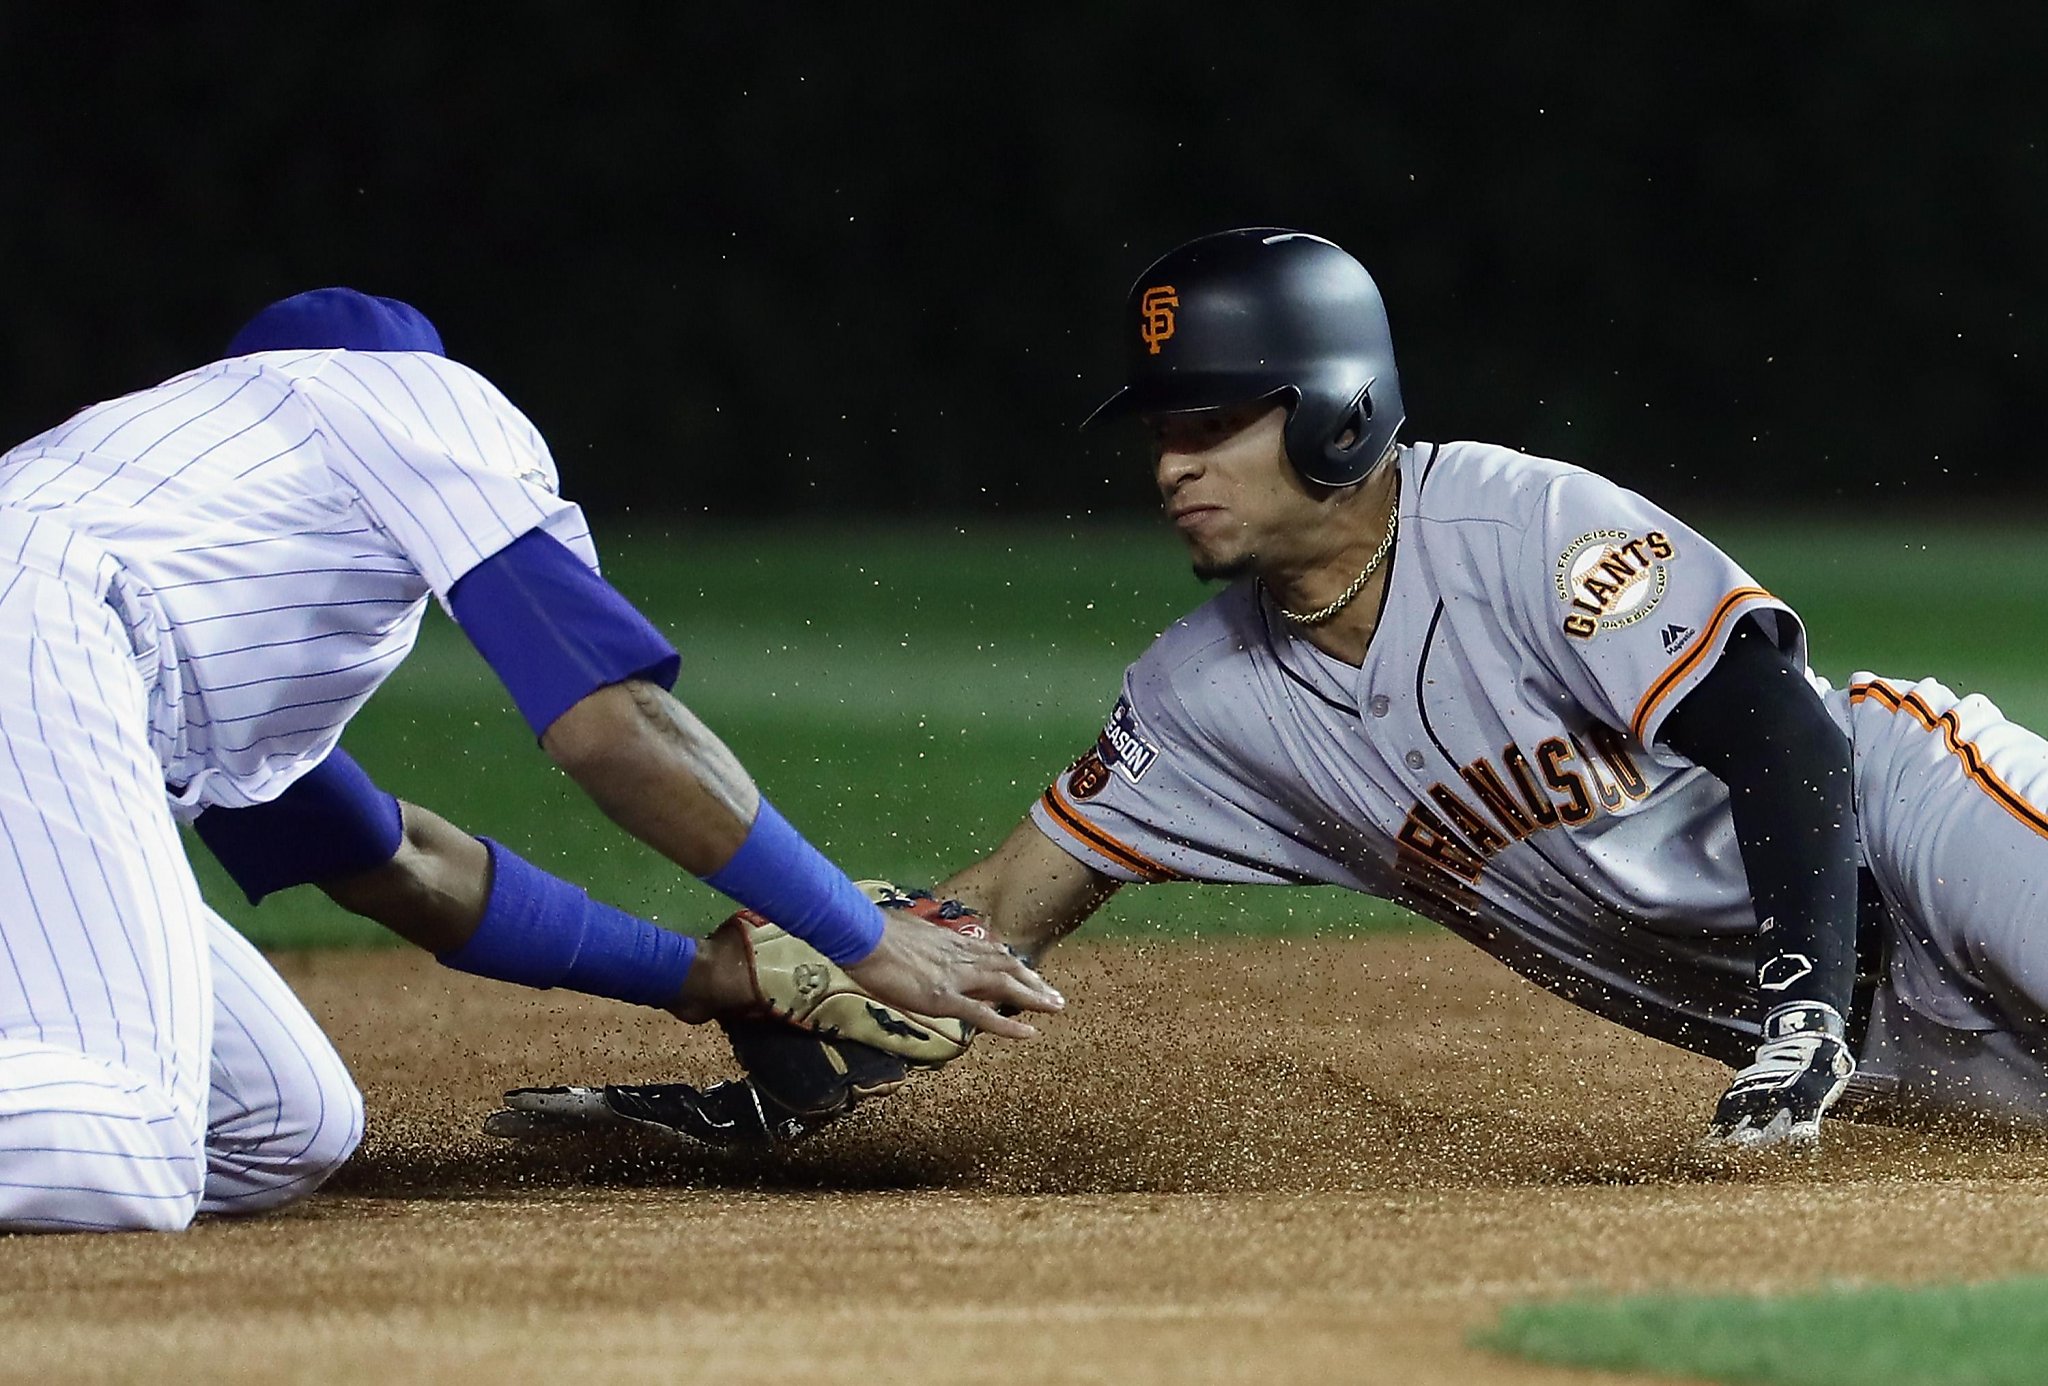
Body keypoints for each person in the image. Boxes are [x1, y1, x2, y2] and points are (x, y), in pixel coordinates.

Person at [508, 227, 2048, 1152]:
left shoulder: (1523, 523)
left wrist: (1795, 1006)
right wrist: (797, 1035)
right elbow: (994, 917)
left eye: (1214, 419)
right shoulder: (1201, 700)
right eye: (1162, 427)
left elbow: (1782, 728)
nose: (1172, 462)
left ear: (1337, 407)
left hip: (1912, 842)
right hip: (1865, 1029)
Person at [0, 287, 1060, 1232]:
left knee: (280, 1126)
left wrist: (702, 977)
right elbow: (612, 726)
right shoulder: (417, 402)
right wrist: (855, 933)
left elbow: (394, 861)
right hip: (40, 612)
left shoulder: (198, 543)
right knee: (122, 1146)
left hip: (58, 636)